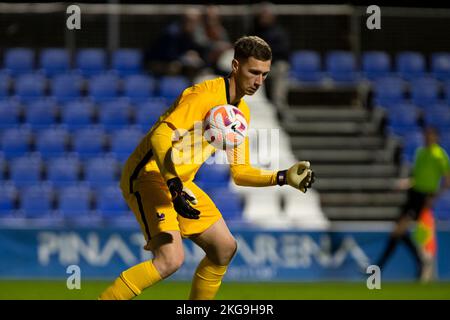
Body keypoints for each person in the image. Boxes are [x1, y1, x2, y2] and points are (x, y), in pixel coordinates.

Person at [99, 36, 315, 300]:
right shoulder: (203, 95)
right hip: (149, 176)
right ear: (236, 66)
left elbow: (241, 172)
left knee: (224, 247)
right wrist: (174, 184)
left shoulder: (240, 113)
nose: (259, 82)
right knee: (170, 259)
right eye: (254, 72)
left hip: (180, 183)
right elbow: (159, 137)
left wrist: (281, 177)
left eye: (265, 75)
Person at [376, 127, 450, 279]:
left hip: (423, 197)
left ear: (436, 137)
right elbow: (416, 177)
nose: (427, 138)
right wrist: (405, 184)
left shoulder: (440, 155)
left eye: (430, 135)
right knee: (397, 233)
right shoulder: (420, 153)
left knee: (398, 231)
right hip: (413, 194)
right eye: (426, 135)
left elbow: (447, 180)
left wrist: (434, 196)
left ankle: (378, 266)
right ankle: (419, 262)